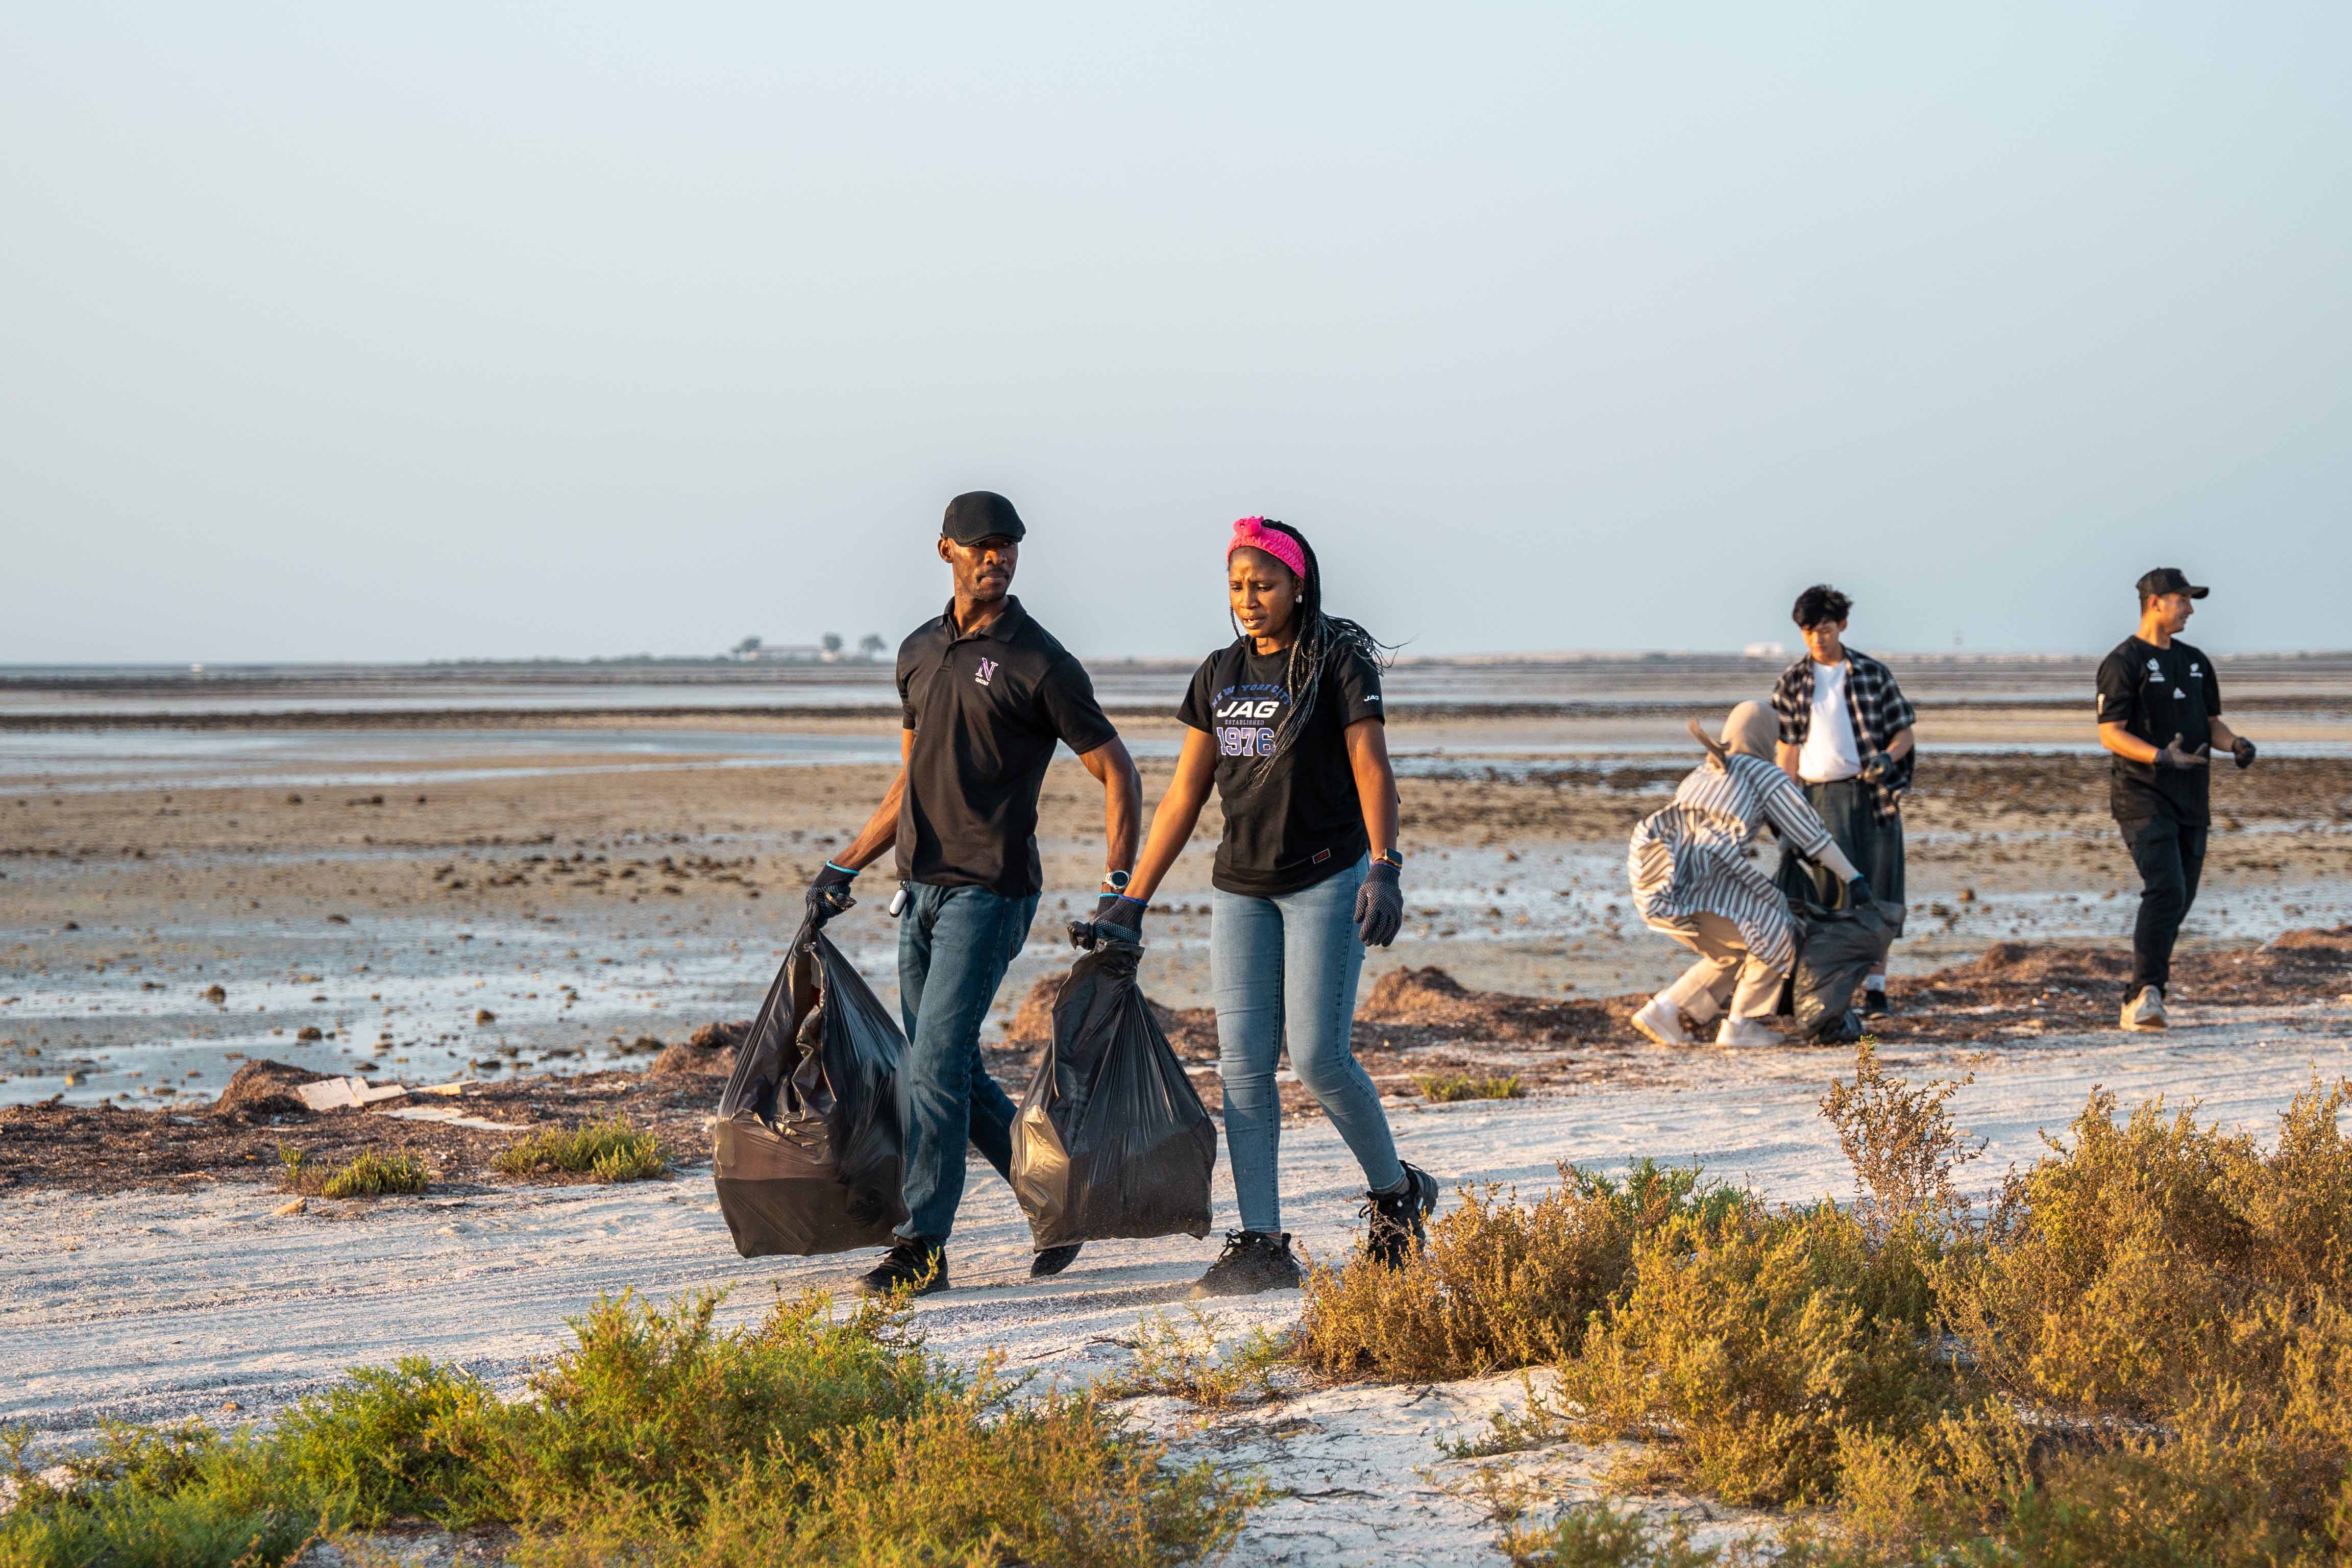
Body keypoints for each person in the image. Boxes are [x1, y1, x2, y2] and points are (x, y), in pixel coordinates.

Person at [1083, 516, 1433, 1299]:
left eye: (1264, 585)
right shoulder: (1219, 674)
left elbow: (1372, 767)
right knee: (1241, 1067)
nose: (1249, 599)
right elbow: (1183, 795)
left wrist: (1385, 868)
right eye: (1238, 587)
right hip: (1240, 888)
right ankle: (1263, 1242)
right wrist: (1132, 897)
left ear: (1297, 585)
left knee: (1318, 1059)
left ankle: (1397, 1195)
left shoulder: (1337, 662)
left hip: (1326, 880)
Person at [807, 491, 1141, 1296]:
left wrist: (1119, 890)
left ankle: (923, 1245)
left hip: (990, 892)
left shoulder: (1041, 661)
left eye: (1009, 546)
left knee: (932, 1067)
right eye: (982, 546)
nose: (997, 558)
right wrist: (844, 866)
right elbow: (910, 781)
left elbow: (1118, 771)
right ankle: (1060, 1200)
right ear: (946, 551)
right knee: (949, 1068)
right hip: (917, 889)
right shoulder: (919, 652)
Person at [1628, 702, 1873, 1048]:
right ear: (1767, 738)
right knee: (1777, 931)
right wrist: (1853, 878)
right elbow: (1812, 836)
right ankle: (1740, 1026)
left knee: (1734, 949)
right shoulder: (1763, 773)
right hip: (1704, 879)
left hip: (1658, 882)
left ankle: (1663, 1010)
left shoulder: (1704, 772)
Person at [2095, 567, 2255, 1031]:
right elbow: (2111, 734)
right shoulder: (2122, 662)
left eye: (2191, 600)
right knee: (2166, 888)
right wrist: (2160, 757)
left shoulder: (2196, 661)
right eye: (2183, 599)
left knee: (2178, 901)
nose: (2190, 609)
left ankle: (2142, 994)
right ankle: (2146, 997)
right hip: (2141, 795)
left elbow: (2212, 723)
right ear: (2155, 603)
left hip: (2192, 800)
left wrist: (2236, 744)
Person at [1769, 586, 1917, 1015]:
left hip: (1871, 798)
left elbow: (1904, 733)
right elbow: (1787, 752)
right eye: (1810, 632)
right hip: (1815, 800)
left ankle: (1876, 990)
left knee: (1878, 893)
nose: (1818, 639)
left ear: (1843, 627)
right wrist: (1784, 809)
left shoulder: (1873, 674)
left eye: (1826, 630)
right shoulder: (1792, 682)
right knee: (1820, 896)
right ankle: (1814, 989)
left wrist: (1888, 761)